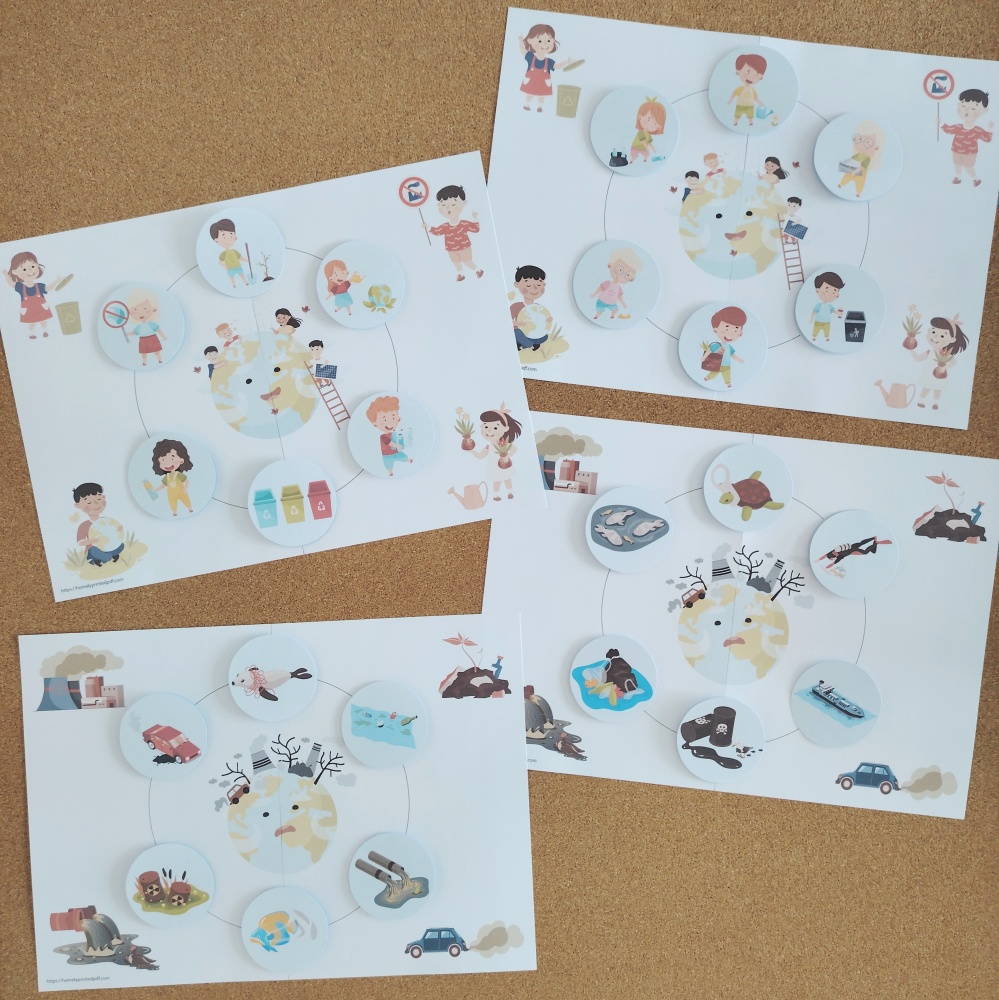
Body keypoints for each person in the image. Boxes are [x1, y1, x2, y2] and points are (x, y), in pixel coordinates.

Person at [909, 314, 969, 410]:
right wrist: (911, 350)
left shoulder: (946, 353)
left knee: (937, 389)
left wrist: (944, 367)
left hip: (939, 374)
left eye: (942, 335)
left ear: (952, 339)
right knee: (926, 387)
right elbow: (918, 358)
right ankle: (921, 401)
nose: (935, 337)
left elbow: (953, 362)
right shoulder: (929, 352)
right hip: (928, 374)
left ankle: (935, 403)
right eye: (933, 331)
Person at [425, 185, 483, 280]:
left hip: (464, 247)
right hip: (451, 249)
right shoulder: (445, 226)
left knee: (467, 261)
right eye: (443, 205)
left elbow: (475, 229)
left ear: (464, 203)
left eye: (453, 204)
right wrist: (427, 227)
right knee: (456, 262)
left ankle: (478, 270)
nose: (448, 208)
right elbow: (437, 231)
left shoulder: (463, 224)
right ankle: (460, 274)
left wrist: (475, 218)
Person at [941, 89, 993, 186]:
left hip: (970, 153)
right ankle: (958, 177)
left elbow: (987, 139)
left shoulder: (977, 130)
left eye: (973, 108)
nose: (967, 111)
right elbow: (948, 130)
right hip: (956, 150)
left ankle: (975, 179)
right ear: (959, 105)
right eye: (964, 106)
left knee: (968, 167)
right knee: (957, 164)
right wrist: (940, 123)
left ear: (984, 111)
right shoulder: (958, 127)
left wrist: (990, 129)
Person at [4, 250, 62, 338]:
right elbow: (11, 284)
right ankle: (32, 334)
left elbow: (48, 288)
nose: (30, 270)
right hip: (29, 310)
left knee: (43, 320)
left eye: (32, 266)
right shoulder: (20, 287)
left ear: (37, 266)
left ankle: (45, 332)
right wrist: (6, 275)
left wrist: (57, 281)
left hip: (41, 308)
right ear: (15, 271)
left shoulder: (39, 286)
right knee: (31, 322)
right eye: (24, 269)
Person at [517, 23, 573, 112]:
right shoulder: (531, 57)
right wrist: (520, 40)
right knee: (530, 94)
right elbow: (523, 50)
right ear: (530, 41)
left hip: (543, 84)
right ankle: (526, 105)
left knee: (541, 96)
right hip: (531, 82)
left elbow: (557, 66)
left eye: (549, 40)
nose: (545, 44)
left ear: (553, 41)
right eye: (539, 41)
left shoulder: (549, 61)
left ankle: (540, 107)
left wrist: (567, 62)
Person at [473, 405, 523, 501]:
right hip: (494, 467)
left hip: (505, 464)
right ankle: (496, 495)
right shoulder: (488, 447)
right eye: (486, 426)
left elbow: (514, 449)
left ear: (505, 428)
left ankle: (510, 493)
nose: (489, 431)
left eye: (495, 428)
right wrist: (471, 450)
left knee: (507, 478)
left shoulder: (504, 443)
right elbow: (480, 456)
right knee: (497, 481)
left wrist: (507, 456)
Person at [72, 483, 124, 567]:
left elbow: (111, 532)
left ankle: (108, 556)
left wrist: (118, 530)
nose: (96, 503)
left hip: (107, 545)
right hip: (94, 549)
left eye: (99, 499)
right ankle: (103, 558)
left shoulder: (105, 521)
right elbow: (80, 542)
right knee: (94, 551)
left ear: (104, 497)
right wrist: (92, 541)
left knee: (121, 545)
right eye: (89, 502)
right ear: (78, 505)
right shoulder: (84, 525)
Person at [702, 305, 747, 388]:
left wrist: (739, 360)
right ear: (716, 330)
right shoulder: (716, 345)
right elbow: (709, 350)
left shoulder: (729, 347)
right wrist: (704, 357)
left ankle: (728, 383)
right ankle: (707, 377)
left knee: (727, 374)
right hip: (716, 363)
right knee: (714, 373)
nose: (730, 333)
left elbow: (732, 355)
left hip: (726, 365)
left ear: (740, 333)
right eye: (726, 328)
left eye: (736, 330)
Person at [365, 396, 412, 476]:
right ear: (375, 424)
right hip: (387, 455)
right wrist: (398, 445)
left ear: (398, 419)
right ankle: (390, 471)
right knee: (388, 463)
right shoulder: (383, 437)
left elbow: (398, 439)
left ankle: (408, 460)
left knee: (402, 456)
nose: (390, 422)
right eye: (385, 419)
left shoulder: (394, 433)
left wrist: (401, 439)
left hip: (396, 452)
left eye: (393, 418)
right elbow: (390, 443)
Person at [590, 247, 642, 320]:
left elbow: (619, 297)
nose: (622, 276)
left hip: (611, 303)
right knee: (600, 312)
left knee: (616, 310)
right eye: (620, 270)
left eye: (628, 275)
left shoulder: (618, 288)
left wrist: (623, 304)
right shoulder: (608, 283)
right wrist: (594, 294)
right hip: (602, 300)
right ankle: (597, 315)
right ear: (611, 265)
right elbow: (600, 289)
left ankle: (612, 315)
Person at [510, 265, 554, 351]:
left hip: (531, 334)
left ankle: (524, 345)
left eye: (538, 285)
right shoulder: (516, 306)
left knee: (544, 337)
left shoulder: (538, 307)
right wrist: (519, 324)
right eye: (528, 285)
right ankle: (528, 345)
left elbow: (540, 320)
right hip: (520, 333)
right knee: (517, 333)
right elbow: (506, 322)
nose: (534, 288)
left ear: (543, 285)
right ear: (517, 285)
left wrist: (547, 320)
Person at [838, 121, 884, 197]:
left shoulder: (867, 158)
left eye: (867, 141)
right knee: (848, 176)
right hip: (854, 166)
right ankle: (841, 184)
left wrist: (854, 172)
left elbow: (862, 167)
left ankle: (858, 192)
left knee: (860, 180)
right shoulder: (861, 153)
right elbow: (864, 151)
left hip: (859, 170)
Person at [150, 439, 194, 516]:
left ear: (181, 460)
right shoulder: (167, 476)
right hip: (171, 494)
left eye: (172, 458)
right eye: (163, 459)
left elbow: (186, 481)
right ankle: (174, 513)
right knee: (172, 504)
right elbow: (163, 485)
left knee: (186, 500)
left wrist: (185, 488)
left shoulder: (178, 474)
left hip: (181, 492)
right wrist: (156, 490)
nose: (167, 463)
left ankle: (190, 509)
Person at [125, 289, 167, 366]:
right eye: (135, 310)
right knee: (144, 352)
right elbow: (134, 332)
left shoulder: (151, 324)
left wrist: (164, 337)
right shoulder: (139, 327)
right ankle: (144, 362)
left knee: (156, 350)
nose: (140, 313)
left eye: (145, 308)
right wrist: (127, 334)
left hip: (152, 338)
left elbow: (158, 330)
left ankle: (160, 360)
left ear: (153, 309)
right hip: (143, 340)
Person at [727, 53, 767, 126]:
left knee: (750, 115)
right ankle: (735, 122)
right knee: (737, 114)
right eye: (748, 72)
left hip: (750, 106)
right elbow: (734, 94)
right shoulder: (740, 88)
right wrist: (729, 101)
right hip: (740, 105)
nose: (751, 77)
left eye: (756, 75)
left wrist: (760, 103)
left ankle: (750, 122)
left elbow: (755, 97)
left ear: (761, 78)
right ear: (738, 71)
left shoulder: (752, 90)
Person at [210, 218, 250, 287]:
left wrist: (247, 260)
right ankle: (233, 285)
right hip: (230, 268)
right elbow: (220, 261)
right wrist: (224, 266)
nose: (228, 238)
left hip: (238, 266)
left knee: (242, 275)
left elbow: (240, 257)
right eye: (223, 235)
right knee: (232, 277)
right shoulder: (224, 254)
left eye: (231, 234)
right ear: (216, 240)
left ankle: (246, 282)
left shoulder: (234, 251)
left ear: (235, 237)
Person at [809, 272, 845, 342]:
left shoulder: (829, 306)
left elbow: (833, 311)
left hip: (827, 322)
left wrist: (838, 313)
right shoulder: (819, 305)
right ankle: (814, 337)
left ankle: (827, 338)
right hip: (818, 321)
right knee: (816, 330)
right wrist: (811, 319)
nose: (831, 294)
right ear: (818, 290)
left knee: (826, 331)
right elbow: (814, 312)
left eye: (835, 291)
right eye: (827, 289)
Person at [630, 98, 667, 164]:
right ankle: (631, 160)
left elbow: (649, 143)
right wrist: (647, 148)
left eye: (655, 124)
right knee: (634, 156)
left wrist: (654, 149)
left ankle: (644, 160)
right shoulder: (641, 132)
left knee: (647, 154)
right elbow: (643, 141)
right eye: (649, 119)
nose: (651, 125)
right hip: (636, 146)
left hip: (643, 148)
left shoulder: (648, 134)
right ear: (640, 118)